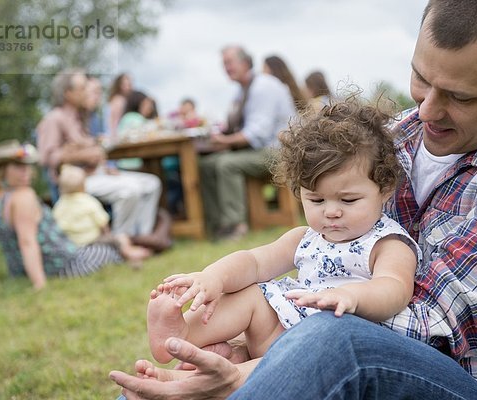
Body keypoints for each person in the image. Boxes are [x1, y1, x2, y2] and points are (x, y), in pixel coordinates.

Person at [110, 1, 477, 399]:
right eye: (421, 78)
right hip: (328, 341)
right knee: (216, 358)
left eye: (459, 96)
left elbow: (435, 328)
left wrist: (256, 368)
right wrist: (247, 336)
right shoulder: (387, 141)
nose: (426, 109)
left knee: (336, 342)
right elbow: (295, 249)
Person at [146, 99, 420, 364]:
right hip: (284, 332)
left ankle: (232, 367)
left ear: (384, 190)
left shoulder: (387, 243)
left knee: (272, 361)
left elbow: (395, 288)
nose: (331, 211)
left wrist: (351, 297)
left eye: (348, 200)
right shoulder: (305, 238)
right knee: (250, 294)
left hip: (339, 345)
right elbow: (254, 262)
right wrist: (213, 277)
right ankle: (182, 335)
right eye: (316, 200)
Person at [0, 140, 125, 291]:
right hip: (63, 266)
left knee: (106, 243)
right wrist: (39, 283)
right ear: (1, 171)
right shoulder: (23, 196)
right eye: (18, 166)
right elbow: (27, 242)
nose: (26, 172)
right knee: (111, 250)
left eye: (27, 166)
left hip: (19, 272)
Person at [36, 69, 162, 238]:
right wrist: (83, 155)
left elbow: (87, 149)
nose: (87, 91)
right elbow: (46, 158)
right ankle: (122, 240)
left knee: (152, 183)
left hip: (98, 174)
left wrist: (102, 163)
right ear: (68, 93)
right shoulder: (54, 119)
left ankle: (142, 235)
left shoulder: (81, 118)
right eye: (82, 88)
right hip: (78, 182)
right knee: (129, 191)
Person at [199, 45, 296, 240]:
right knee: (205, 165)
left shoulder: (263, 86)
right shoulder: (241, 91)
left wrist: (225, 141)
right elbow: (234, 126)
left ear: (245, 63)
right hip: (258, 150)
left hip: (278, 151)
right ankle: (218, 224)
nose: (226, 68)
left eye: (229, 63)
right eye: (224, 64)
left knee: (226, 164)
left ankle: (236, 226)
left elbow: (256, 133)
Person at [52, 164, 152, 265]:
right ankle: (129, 253)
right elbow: (103, 222)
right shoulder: (88, 201)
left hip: (73, 243)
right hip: (92, 240)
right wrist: (108, 235)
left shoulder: (59, 205)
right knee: (118, 239)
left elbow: (56, 224)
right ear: (83, 185)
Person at [107, 73, 133, 140]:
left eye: (130, 84)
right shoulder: (119, 100)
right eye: (126, 85)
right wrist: (114, 137)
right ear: (119, 86)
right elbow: (114, 121)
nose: (129, 87)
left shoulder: (115, 99)